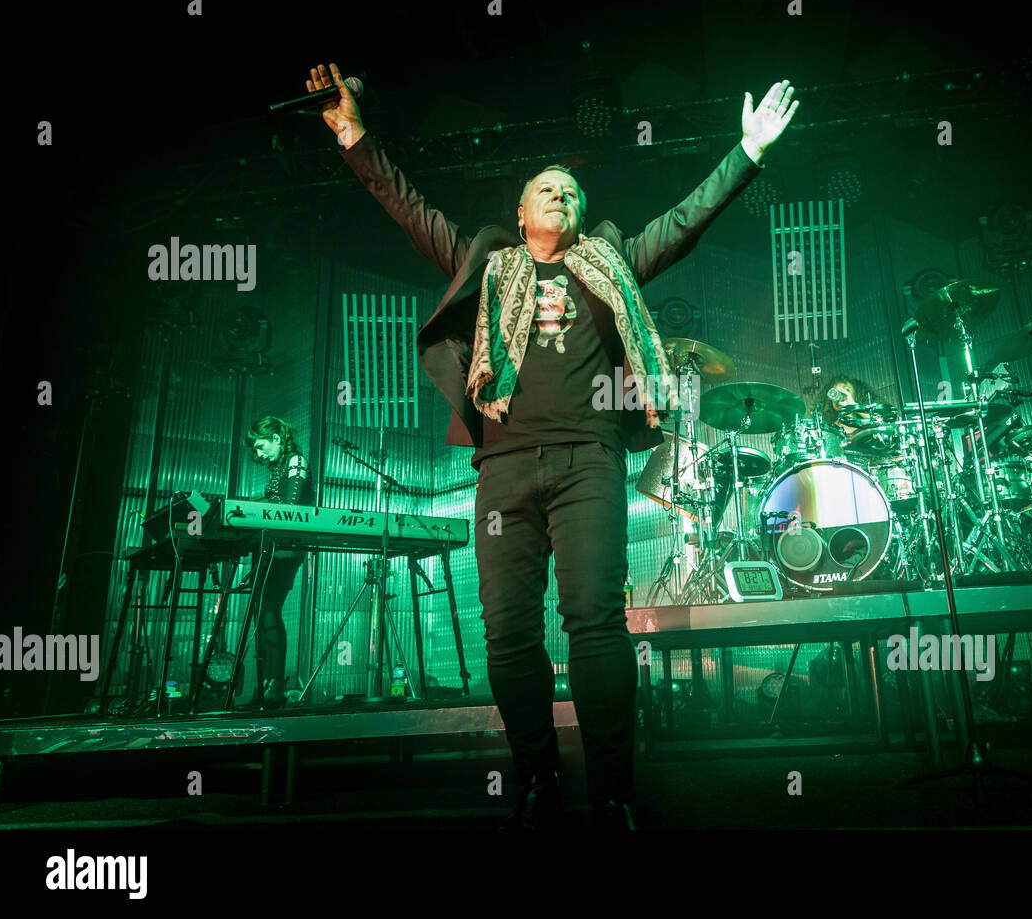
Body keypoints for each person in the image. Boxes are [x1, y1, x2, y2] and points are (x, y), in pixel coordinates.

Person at [307, 62, 797, 829]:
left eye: (572, 190)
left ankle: (611, 791)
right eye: (546, 188)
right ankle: (536, 775)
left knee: (595, 624)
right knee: (506, 629)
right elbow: (406, 205)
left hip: (589, 462)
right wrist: (352, 133)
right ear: (520, 208)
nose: (561, 195)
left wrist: (748, 153)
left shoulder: (612, 265)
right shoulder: (488, 264)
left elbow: (685, 219)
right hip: (501, 468)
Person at [241, 415, 313, 710]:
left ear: (277, 439)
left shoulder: (296, 461)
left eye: (260, 447)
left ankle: (275, 686)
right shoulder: (281, 467)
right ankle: (266, 686)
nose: (258, 455)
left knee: (269, 611)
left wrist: (248, 507)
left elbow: (290, 509)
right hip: (271, 547)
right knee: (262, 613)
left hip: (286, 547)